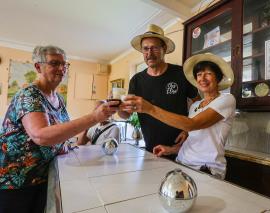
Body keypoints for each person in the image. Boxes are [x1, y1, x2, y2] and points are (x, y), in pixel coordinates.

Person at [0, 45, 119, 213]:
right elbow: (41, 136)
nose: (62, 69)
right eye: (55, 63)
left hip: (43, 176)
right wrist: (94, 117)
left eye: (65, 64)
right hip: (16, 182)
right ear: (38, 67)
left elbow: (64, 135)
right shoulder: (29, 94)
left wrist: (90, 122)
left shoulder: (59, 99)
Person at [122, 53, 236, 179]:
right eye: (199, 74)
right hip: (182, 163)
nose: (202, 78)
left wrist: (150, 108)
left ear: (218, 77)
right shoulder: (195, 106)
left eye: (208, 73)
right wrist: (171, 149)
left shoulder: (227, 99)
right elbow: (194, 141)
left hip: (206, 170)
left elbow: (192, 124)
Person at [118, 24, 199, 160]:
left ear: (164, 49)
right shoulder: (136, 80)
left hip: (181, 149)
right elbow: (126, 115)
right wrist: (117, 106)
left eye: (154, 48)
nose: (149, 53)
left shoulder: (181, 73)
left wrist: (188, 129)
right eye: (145, 49)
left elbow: (199, 104)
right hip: (150, 150)